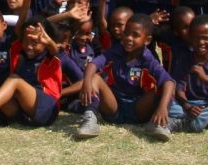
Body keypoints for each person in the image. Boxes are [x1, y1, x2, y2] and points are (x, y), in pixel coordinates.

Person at [75, 12, 178, 142]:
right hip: (114, 107)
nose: (129, 38)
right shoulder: (116, 51)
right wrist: (87, 83)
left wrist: (162, 107)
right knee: (94, 78)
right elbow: (93, 64)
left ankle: (157, 123)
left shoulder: (148, 59)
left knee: (163, 86)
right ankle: (90, 118)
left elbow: (169, 82)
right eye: (126, 33)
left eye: (135, 35)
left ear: (147, 40)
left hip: (139, 110)